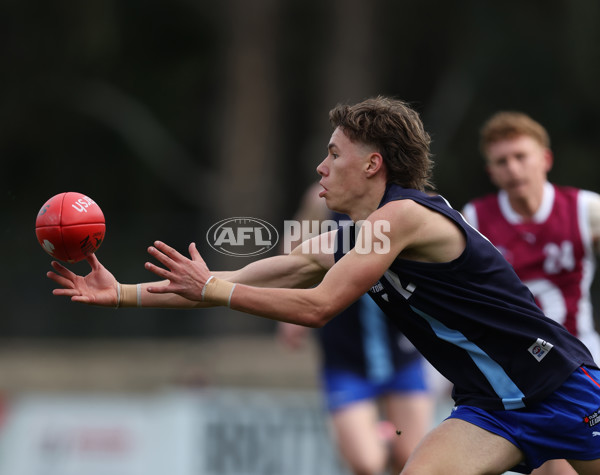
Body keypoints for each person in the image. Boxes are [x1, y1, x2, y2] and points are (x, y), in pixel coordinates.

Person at [47, 96, 600, 475]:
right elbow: (225, 281)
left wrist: (215, 290)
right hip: (492, 409)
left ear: (373, 165)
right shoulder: (358, 233)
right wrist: (121, 292)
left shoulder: (401, 218)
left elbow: (318, 307)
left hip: (561, 386)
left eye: (334, 154)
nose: (321, 167)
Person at [461, 111, 600, 475]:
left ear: (545, 159)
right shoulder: (475, 219)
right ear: (491, 171)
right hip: (518, 364)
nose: (513, 168)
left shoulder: (585, 210)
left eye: (521, 156)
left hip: (581, 354)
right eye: (502, 161)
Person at [277, 181, 433, 474]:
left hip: (403, 349)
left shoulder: (410, 200)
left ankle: (389, 439)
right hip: (344, 351)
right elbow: (295, 244)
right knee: (366, 463)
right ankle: (383, 440)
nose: (327, 166)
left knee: (410, 459)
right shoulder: (321, 198)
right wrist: (287, 313)